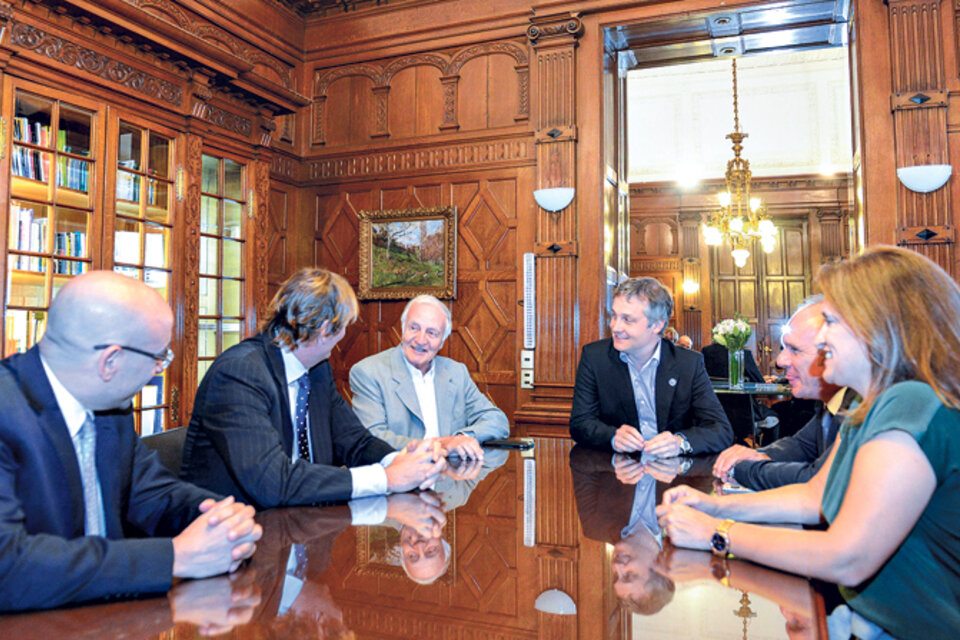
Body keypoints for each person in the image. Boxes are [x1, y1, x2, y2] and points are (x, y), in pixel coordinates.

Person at [656, 246, 960, 640]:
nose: (823, 337)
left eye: (831, 321)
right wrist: (714, 504)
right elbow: (814, 496)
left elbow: (848, 557)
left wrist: (716, 532)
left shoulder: (910, 402)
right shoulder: (870, 404)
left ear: (877, 327)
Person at [0, 271, 261, 611]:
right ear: (111, 360)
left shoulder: (110, 408)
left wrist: (219, 520)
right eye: (158, 358)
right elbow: (9, 567)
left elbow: (154, 493)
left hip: (106, 616)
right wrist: (175, 558)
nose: (158, 371)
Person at [181, 268, 446, 509]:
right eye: (343, 327)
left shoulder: (317, 370)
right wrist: (385, 479)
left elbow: (356, 442)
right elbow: (272, 483)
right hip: (234, 539)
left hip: (303, 529)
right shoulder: (240, 374)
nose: (344, 335)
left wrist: (403, 462)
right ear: (325, 329)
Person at [569, 277, 733, 456]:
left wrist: (680, 443)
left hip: (674, 475)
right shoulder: (594, 358)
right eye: (614, 316)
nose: (615, 327)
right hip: (617, 474)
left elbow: (721, 430)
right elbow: (580, 423)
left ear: (657, 325)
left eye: (627, 320)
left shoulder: (688, 364)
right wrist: (613, 437)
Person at [713, 296, 853, 490]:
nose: (780, 361)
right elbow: (801, 445)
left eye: (794, 349)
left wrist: (742, 469)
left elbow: (817, 480)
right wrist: (758, 454)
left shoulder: (862, 405)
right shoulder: (832, 403)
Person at [349, 295, 509, 460]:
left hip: (451, 476)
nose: (420, 339)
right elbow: (372, 438)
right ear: (403, 329)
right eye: (414, 328)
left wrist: (462, 437)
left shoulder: (456, 372)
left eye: (431, 333)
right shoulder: (369, 372)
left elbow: (497, 420)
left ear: (442, 342)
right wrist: (441, 445)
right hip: (398, 476)